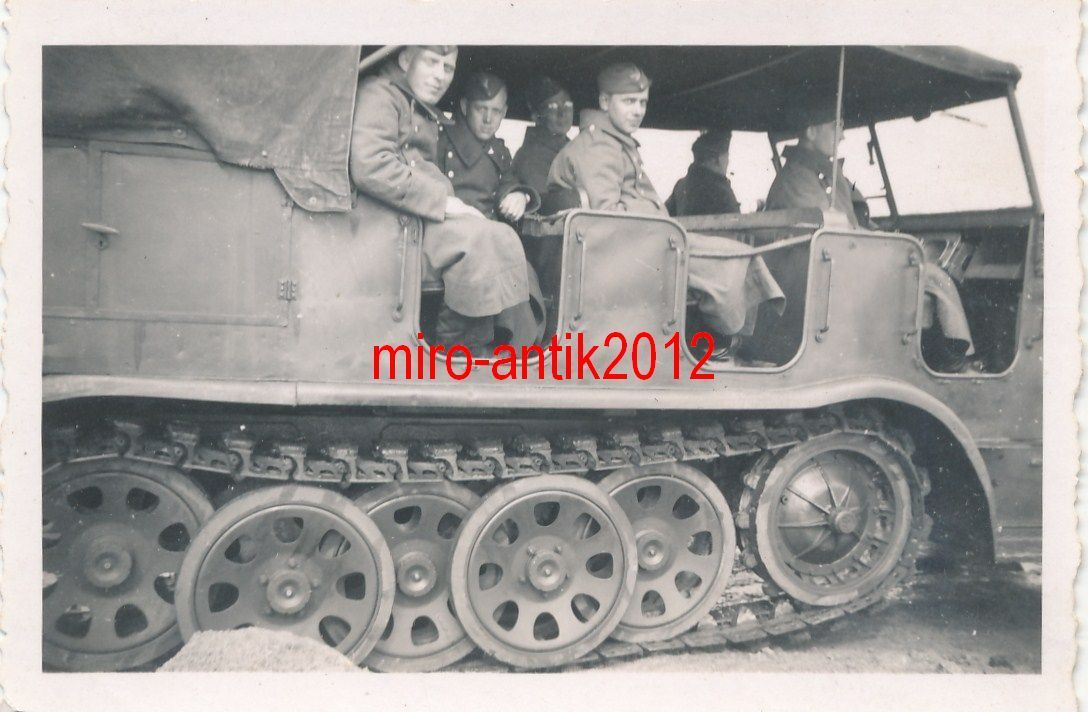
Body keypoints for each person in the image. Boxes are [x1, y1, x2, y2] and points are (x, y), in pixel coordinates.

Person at [545, 62, 785, 343]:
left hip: (644, 241)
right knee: (733, 259)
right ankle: (722, 341)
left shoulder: (615, 142)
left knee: (739, 254)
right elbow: (607, 218)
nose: (637, 110)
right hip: (629, 250)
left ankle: (718, 339)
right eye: (629, 101)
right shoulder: (599, 147)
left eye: (642, 102)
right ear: (605, 102)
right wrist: (657, 222)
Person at [765, 101, 976, 371]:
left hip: (840, 263)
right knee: (932, 276)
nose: (841, 135)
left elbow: (848, 223)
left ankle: (946, 357)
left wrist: (880, 236)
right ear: (811, 131)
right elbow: (833, 231)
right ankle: (960, 361)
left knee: (928, 271)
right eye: (835, 126)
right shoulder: (798, 178)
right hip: (828, 271)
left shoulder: (819, 173)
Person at [349, 46, 533, 355]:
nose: (440, 76)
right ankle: (459, 352)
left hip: (409, 218)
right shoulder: (380, 95)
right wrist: (445, 202)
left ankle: (480, 343)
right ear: (406, 60)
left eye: (447, 68)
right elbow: (370, 164)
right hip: (387, 224)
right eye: (432, 62)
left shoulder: (412, 103)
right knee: (479, 239)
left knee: (499, 235)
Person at [436, 71, 545, 346]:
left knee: (524, 273)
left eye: (496, 111)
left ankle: (514, 350)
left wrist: (518, 195)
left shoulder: (498, 151)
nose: (488, 119)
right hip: (453, 236)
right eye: (481, 109)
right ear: (464, 107)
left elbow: (507, 182)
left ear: (505, 112)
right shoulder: (441, 141)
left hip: (489, 239)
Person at [510, 76, 574, 199]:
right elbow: (548, 205)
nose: (562, 113)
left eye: (567, 104)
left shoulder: (572, 148)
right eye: (553, 107)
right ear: (536, 116)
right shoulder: (531, 157)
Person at [666, 129, 741, 216]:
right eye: (727, 157)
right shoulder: (722, 192)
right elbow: (737, 222)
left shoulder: (680, 186)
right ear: (717, 160)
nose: (728, 161)